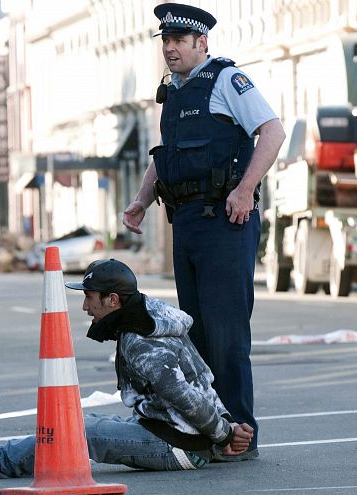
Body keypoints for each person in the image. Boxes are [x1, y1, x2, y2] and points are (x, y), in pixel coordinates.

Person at [121, 4, 285, 460]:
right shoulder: (173, 93)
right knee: (195, 337)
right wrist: (141, 199)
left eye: (179, 40)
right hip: (187, 224)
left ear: (202, 43)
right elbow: (165, 155)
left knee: (227, 334)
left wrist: (245, 189)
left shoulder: (227, 81)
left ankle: (241, 434)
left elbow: (272, 131)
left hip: (225, 222)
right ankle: (213, 430)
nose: (170, 48)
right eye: (165, 41)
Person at [0, 258, 254, 481]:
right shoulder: (153, 317)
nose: (85, 307)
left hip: (179, 445)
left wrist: (223, 434)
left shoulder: (141, 342)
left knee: (78, 433)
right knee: (78, 423)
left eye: (90, 298)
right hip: (176, 430)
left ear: (112, 300)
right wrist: (226, 425)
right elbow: (202, 380)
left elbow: (185, 396)